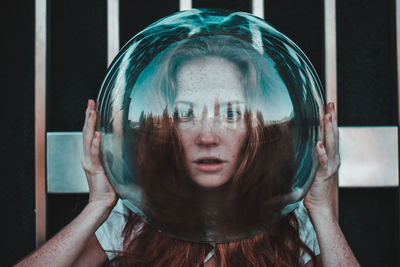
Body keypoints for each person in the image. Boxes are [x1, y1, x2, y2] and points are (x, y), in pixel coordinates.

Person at [16, 36, 359, 267]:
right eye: (186, 114)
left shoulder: (290, 221)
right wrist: (98, 206)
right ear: (166, 126)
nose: (207, 136)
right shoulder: (134, 217)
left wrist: (321, 209)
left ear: (257, 128)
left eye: (230, 113)